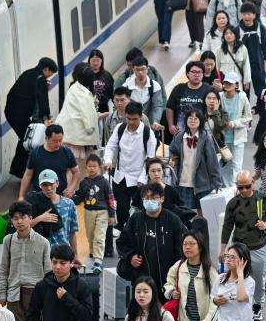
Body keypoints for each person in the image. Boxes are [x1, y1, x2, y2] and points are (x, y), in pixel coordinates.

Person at [220, 171, 266, 321]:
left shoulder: (262, 198)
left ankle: (257, 305)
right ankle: (238, 304)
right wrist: (223, 249)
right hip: (239, 247)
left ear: (253, 183)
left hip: (259, 246)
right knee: (237, 277)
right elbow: (227, 226)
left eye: (247, 186)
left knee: (259, 279)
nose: (244, 190)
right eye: (240, 188)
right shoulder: (233, 203)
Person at [117, 181, 187, 290]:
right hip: (141, 279)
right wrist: (130, 257)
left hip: (168, 280)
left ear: (162, 199)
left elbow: (181, 248)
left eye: (154, 198)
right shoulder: (135, 220)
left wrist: (178, 273)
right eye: (146, 198)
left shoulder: (173, 220)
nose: (150, 201)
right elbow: (122, 243)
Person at [103, 101, 156, 231]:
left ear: (141, 116)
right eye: (128, 118)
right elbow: (111, 146)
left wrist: (143, 178)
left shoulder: (148, 133)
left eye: (135, 119)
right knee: (121, 208)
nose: (131, 122)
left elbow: (150, 159)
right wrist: (108, 160)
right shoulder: (120, 128)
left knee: (139, 210)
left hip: (138, 179)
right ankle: (122, 231)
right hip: (120, 176)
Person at [5, 57, 57, 177]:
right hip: (21, 115)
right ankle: (20, 170)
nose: (50, 76)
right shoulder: (41, 79)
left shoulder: (27, 73)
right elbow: (43, 101)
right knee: (27, 140)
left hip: (11, 112)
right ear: (46, 69)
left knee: (25, 138)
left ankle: (18, 169)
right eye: (51, 73)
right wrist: (46, 118)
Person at [169, 108, 221, 210]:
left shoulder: (205, 137)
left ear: (200, 121)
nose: (192, 121)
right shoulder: (179, 136)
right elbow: (172, 150)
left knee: (203, 211)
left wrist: (217, 182)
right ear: (186, 120)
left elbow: (212, 161)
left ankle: (202, 226)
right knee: (185, 211)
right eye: (190, 118)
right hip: (184, 180)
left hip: (202, 182)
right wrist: (173, 160)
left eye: (196, 118)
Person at [72, 153, 115, 272]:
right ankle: (92, 253)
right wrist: (69, 199)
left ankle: (98, 261)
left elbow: (111, 198)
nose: (92, 168)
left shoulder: (104, 182)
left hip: (102, 212)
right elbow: (80, 197)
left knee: (99, 237)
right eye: (89, 166)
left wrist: (111, 215)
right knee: (90, 236)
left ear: (100, 167)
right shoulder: (84, 182)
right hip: (88, 212)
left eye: (94, 166)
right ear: (86, 168)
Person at [54, 66, 100, 174]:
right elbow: (87, 116)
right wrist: (90, 130)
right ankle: (74, 190)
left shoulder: (73, 87)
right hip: (77, 140)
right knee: (76, 169)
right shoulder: (85, 94)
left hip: (66, 135)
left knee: (66, 168)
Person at [19, 124, 78, 200]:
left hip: (60, 197)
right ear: (46, 138)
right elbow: (28, 175)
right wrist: (21, 196)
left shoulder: (66, 152)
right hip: (39, 197)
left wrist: (71, 188)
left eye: (60, 140)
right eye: (55, 141)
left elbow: (76, 172)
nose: (58, 144)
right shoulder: (36, 153)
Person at [27, 169, 79, 253]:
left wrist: (76, 255)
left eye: (51, 184)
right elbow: (23, 227)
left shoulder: (69, 204)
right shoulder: (33, 203)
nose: (48, 188)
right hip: (40, 253)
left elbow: (72, 233)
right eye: (44, 185)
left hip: (62, 252)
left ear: (57, 183)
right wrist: (39, 218)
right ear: (40, 186)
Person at [165, 61, 214, 141]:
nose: (197, 74)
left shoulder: (208, 89)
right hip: (180, 132)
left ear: (203, 74)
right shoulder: (179, 89)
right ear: (187, 73)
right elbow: (169, 107)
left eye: (199, 72)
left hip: (202, 133)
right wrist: (171, 125)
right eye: (193, 72)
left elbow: (215, 108)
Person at [123, 57, 165, 132]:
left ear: (147, 69)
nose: (140, 72)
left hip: (149, 127)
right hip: (130, 127)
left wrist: (156, 121)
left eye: (143, 69)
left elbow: (158, 105)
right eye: (137, 69)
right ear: (133, 70)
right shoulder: (126, 87)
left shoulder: (155, 86)